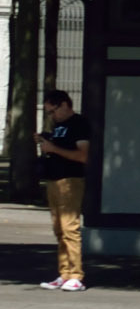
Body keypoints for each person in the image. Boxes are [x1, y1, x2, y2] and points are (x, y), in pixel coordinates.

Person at [35, 88, 90, 292]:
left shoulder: (79, 124)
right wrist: (45, 141)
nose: (52, 115)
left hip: (70, 180)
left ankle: (76, 275)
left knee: (70, 228)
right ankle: (65, 272)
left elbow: (82, 155)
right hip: (54, 179)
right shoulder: (59, 126)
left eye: (52, 111)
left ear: (65, 105)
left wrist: (53, 148)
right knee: (59, 228)